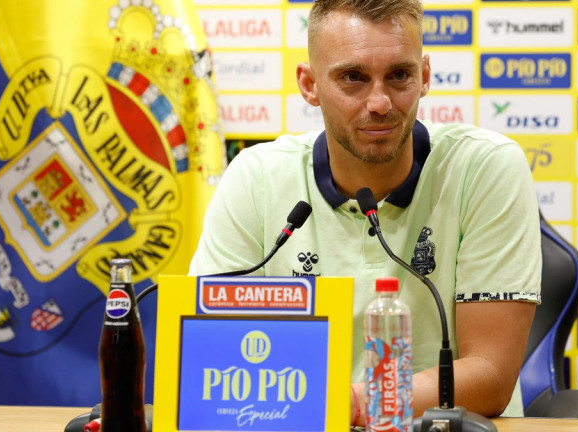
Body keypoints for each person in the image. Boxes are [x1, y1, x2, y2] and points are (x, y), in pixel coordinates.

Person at [189, 0, 541, 425]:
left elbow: (490, 374)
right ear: (309, 84)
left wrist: (341, 405)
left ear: (424, 77)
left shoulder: (485, 166)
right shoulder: (255, 176)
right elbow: (210, 351)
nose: (380, 103)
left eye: (399, 76)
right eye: (353, 77)